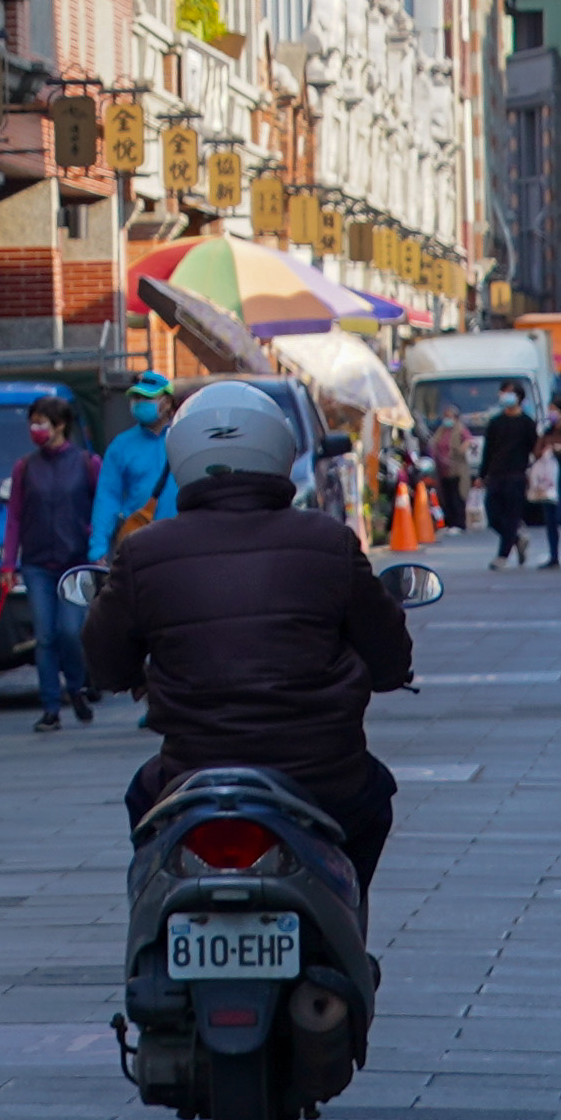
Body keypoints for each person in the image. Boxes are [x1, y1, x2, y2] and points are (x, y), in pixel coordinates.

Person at [79, 376, 423, 880]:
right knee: (373, 800)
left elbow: (104, 660)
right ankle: (348, 930)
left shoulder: (144, 551)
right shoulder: (328, 540)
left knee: (143, 804)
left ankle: (154, 925)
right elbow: (389, 653)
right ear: (279, 449)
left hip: (192, 773)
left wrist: (136, 675)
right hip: (322, 773)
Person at [4, 393, 106, 733]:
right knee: (45, 636)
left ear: (60, 425)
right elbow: (15, 517)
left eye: (41, 423)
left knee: (70, 632)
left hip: (76, 563)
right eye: (32, 423)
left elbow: (102, 509)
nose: (35, 429)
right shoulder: (25, 468)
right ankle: (50, 706)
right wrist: (7, 564)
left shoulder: (87, 463)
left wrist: (97, 545)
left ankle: (75, 687)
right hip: (36, 564)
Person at [89, 387, 180, 717]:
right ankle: (154, 698)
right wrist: (98, 547)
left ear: (167, 401)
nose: (140, 404)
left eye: (148, 397)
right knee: (146, 625)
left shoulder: (185, 437)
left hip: (183, 544)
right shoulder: (121, 447)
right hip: (140, 548)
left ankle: (169, 695)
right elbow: (107, 497)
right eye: (136, 398)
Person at [474, 389, 545, 571]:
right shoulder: (495, 422)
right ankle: (516, 539)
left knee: (512, 515)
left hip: (517, 475)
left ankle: (502, 555)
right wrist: (481, 475)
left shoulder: (527, 423)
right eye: (503, 393)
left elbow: (535, 449)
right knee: (493, 514)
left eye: (509, 393)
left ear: (519, 398)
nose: (504, 397)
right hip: (496, 474)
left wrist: (534, 471)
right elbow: (487, 451)